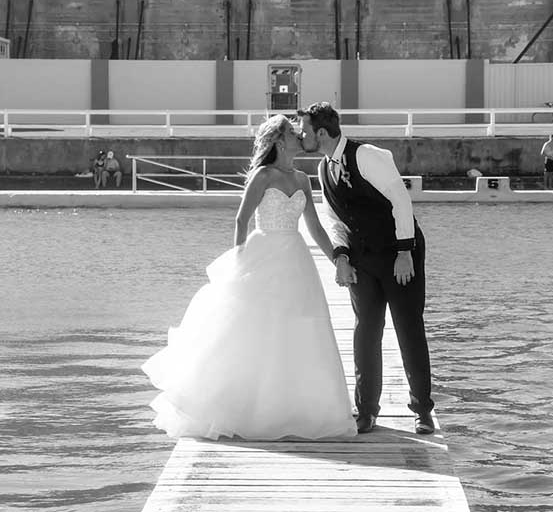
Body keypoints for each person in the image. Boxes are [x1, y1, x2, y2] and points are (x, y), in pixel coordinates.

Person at [142, 114, 357, 440]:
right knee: (257, 331)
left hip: (296, 259)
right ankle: (251, 410)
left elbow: (314, 228)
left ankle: (298, 408)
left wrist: (338, 261)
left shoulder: (302, 178)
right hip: (263, 255)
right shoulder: (262, 175)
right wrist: (239, 262)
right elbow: (242, 220)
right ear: (279, 140)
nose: (299, 135)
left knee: (301, 330)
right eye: (291, 131)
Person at [297, 102, 435, 435]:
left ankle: (422, 411)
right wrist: (341, 256)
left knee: (408, 328)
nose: (301, 137)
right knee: (366, 331)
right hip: (361, 259)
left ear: (321, 132)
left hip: (398, 254)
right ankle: (367, 410)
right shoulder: (323, 168)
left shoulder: (367, 156)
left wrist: (405, 251)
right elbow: (334, 218)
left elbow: (400, 201)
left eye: (304, 131)